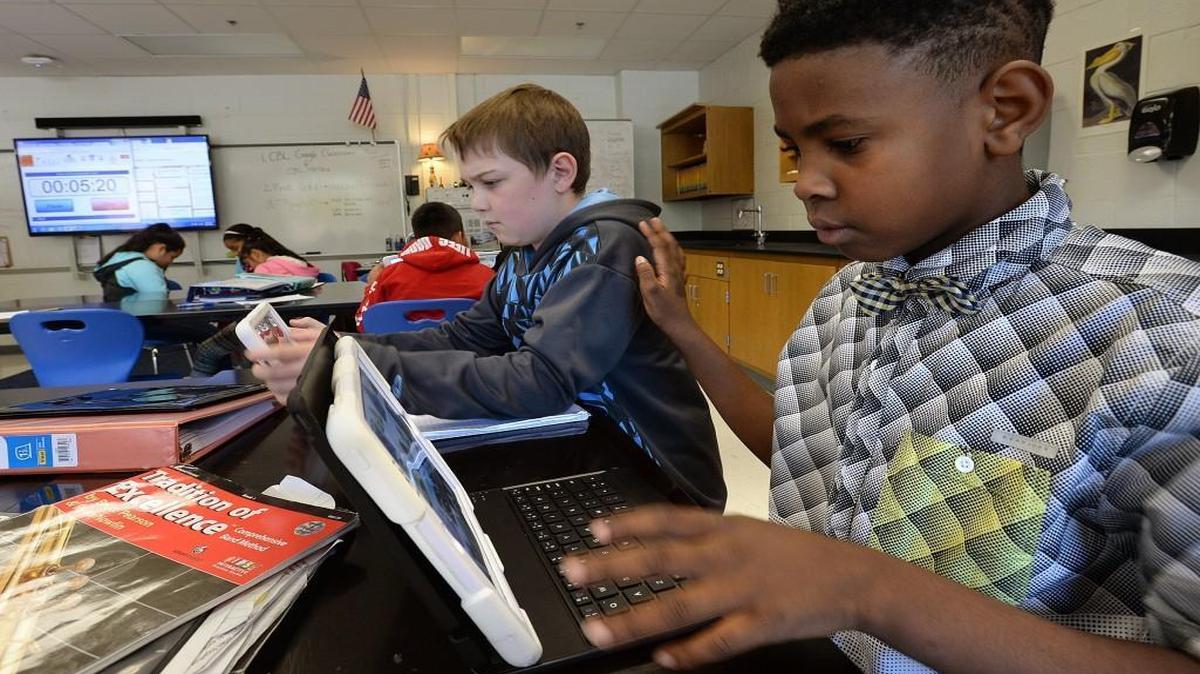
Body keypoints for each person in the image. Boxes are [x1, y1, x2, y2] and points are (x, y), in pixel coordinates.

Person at [559, 2, 1200, 673]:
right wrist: (683, 331)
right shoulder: (848, 295)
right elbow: (803, 457)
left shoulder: (1163, 341)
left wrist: (866, 589)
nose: (805, 183)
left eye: (846, 144)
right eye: (793, 148)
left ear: (1005, 111)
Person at [248, 84, 726, 510]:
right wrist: (346, 348)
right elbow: (470, 333)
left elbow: (538, 382)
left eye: (491, 182)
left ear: (560, 172)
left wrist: (358, 368)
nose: (475, 203)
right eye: (470, 185)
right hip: (582, 448)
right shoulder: (522, 248)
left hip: (657, 479)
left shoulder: (605, 247)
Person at [354, 201, 496, 331]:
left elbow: (364, 323)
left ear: (416, 238)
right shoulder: (487, 277)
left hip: (402, 356)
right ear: (459, 237)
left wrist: (370, 286)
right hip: (472, 356)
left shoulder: (388, 275)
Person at [93, 223, 185, 301]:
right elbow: (159, 299)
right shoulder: (142, 266)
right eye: (172, 257)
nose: (170, 262)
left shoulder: (121, 259)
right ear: (161, 249)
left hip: (121, 317)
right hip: (138, 319)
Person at [238, 229, 320, 278]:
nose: (250, 268)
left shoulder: (263, 268)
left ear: (256, 254)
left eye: (248, 263)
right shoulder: (292, 261)